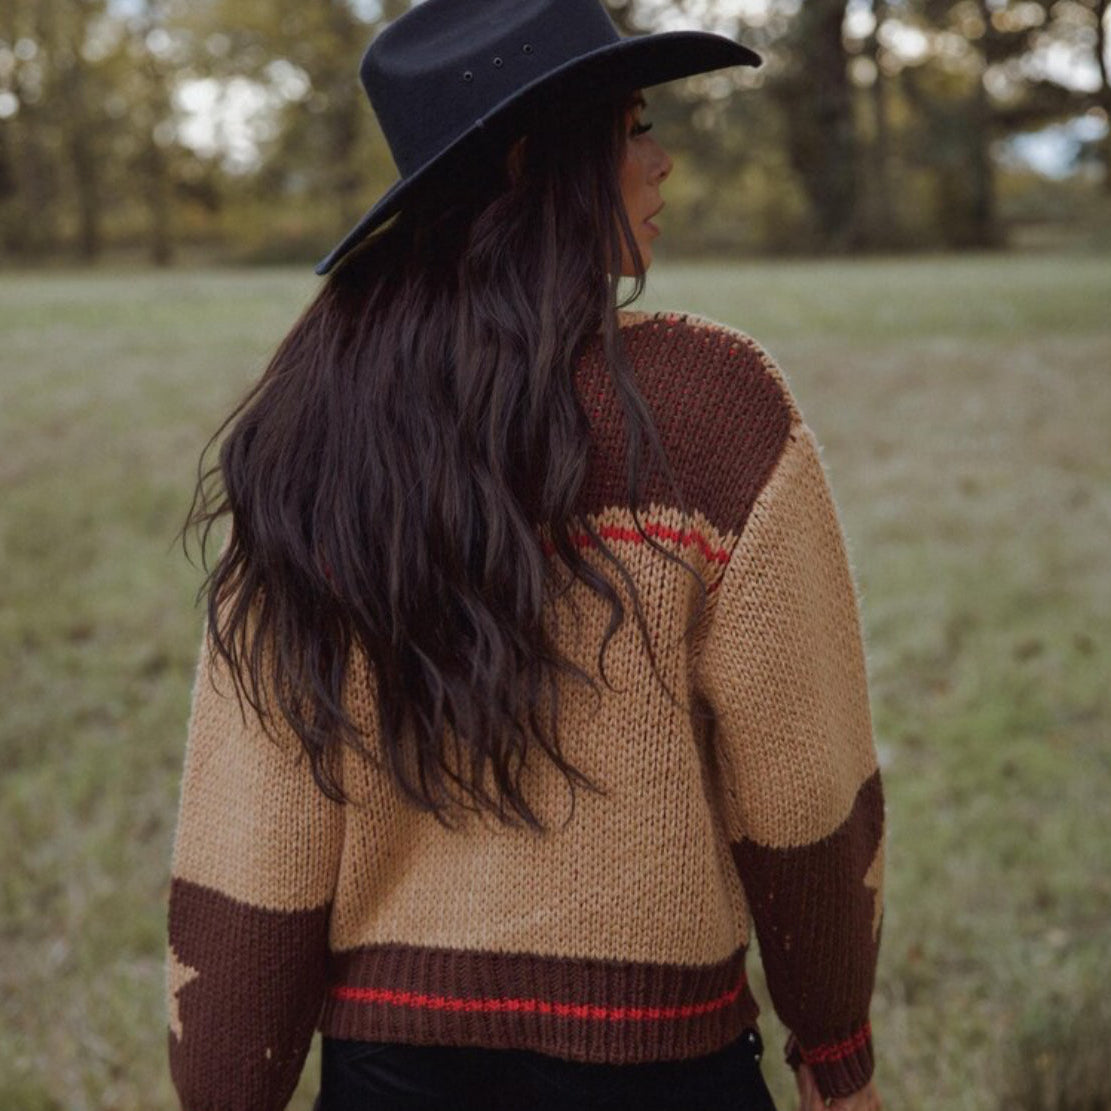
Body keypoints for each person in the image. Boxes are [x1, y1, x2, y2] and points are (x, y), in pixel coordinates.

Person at [166, 1, 886, 1109]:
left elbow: (256, 829)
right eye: (631, 127)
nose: (661, 161)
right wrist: (835, 1048)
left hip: (389, 1078)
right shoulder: (710, 409)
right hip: (660, 1070)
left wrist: (224, 1090)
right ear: (530, 161)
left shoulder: (313, 432)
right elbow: (802, 787)